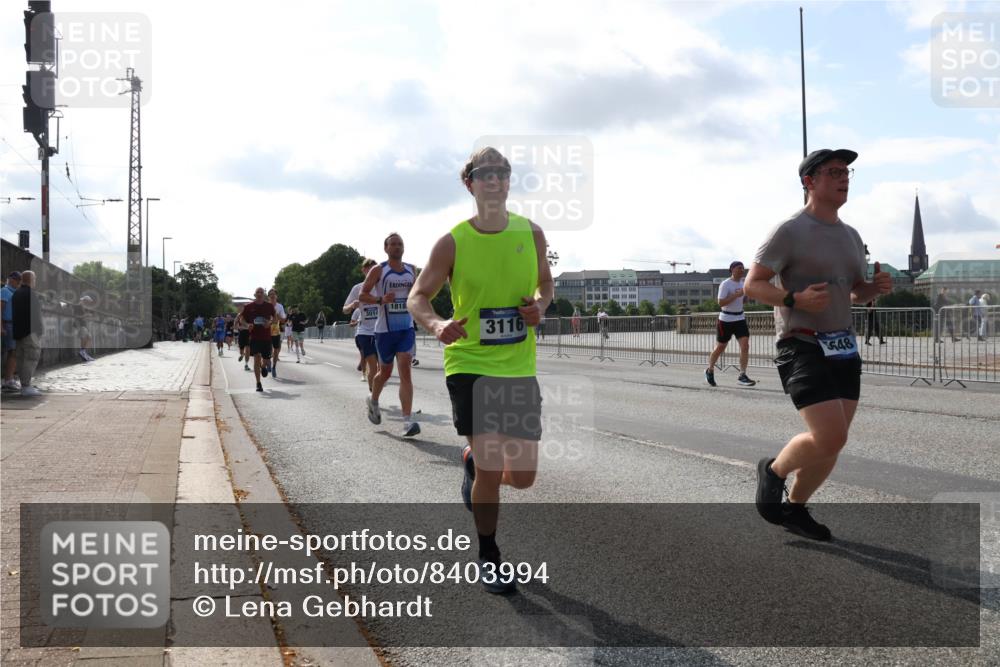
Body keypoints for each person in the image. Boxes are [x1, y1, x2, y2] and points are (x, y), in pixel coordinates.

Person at [408, 146, 553, 594]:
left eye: (501, 172)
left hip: (518, 367)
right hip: (469, 364)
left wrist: (541, 306)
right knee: (492, 468)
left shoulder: (532, 233)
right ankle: (489, 556)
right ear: (469, 183)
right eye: (484, 173)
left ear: (509, 181)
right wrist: (437, 324)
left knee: (523, 478)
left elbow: (545, 283)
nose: (494, 179)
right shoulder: (452, 242)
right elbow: (418, 296)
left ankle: (470, 462)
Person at [745, 148, 892, 541]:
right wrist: (793, 299)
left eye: (847, 172)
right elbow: (753, 285)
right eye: (834, 172)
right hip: (802, 345)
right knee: (830, 436)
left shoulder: (851, 236)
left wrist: (873, 288)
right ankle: (773, 470)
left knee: (832, 443)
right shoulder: (789, 231)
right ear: (809, 181)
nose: (844, 178)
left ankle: (795, 509)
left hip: (843, 346)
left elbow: (854, 292)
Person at [361, 236, 420, 437]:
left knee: (405, 370)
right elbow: (363, 295)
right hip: (384, 331)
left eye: (400, 244)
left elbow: (418, 294)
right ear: (385, 248)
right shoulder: (378, 270)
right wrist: (380, 299)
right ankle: (373, 400)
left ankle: (407, 422)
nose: (397, 247)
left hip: (406, 328)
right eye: (393, 244)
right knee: (384, 373)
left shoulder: (412, 269)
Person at [705, 261, 756, 387]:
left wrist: (746, 297)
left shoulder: (743, 283)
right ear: (732, 269)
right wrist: (737, 295)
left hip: (740, 318)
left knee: (745, 346)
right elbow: (721, 303)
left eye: (743, 268)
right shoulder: (725, 284)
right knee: (720, 347)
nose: (742, 270)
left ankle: (742, 375)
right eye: (739, 268)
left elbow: (743, 301)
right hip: (726, 319)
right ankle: (710, 369)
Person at [344, 258, 380, 383]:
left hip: (381, 331)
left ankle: (374, 387)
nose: (372, 273)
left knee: (382, 368)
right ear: (363, 271)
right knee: (373, 366)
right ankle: (371, 387)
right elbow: (344, 310)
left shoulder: (382, 286)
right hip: (364, 332)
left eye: (375, 270)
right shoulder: (357, 288)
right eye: (369, 270)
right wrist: (352, 305)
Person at [11, 270, 44, 397]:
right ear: (31, 280)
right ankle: (26, 386)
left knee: (21, 359)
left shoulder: (16, 293)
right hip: (30, 332)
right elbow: (36, 315)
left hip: (18, 332)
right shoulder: (31, 294)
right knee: (31, 358)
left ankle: (24, 384)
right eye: (34, 279)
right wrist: (40, 330)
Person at [241, 287, 276, 392]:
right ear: (255, 294)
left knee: (266, 360)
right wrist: (247, 325)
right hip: (254, 337)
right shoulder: (248, 307)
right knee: (256, 358)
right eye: (258, 292)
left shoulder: (269, 306)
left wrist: (269, 323)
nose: (260, 294)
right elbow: (242, 319)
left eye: (261, 292)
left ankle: (263, 366)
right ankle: (258, 383)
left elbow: (275, 318)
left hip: (266, 337)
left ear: (264, 294)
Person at [1, 271, 22, 392]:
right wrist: (1, 327)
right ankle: (8, 380)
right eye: (17, 280)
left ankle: (9, 379)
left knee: (13, 352)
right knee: (12, 352)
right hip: (7, 324)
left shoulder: (14, 292)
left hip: (13, 325)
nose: (19, 283)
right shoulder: (5, 291)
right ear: (11, 279)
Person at [267, 289, 287, 378]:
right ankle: (268, 362)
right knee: (267, 350)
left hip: (276, 331)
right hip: (266, 331)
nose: (272, 296)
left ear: (276, 296)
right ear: (268, 296)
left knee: (276, 350)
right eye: (270, 294)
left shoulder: (280, 306)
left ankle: (274, 367)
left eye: (274, 294)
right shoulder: (265, 306)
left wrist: (277, 316)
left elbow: (283, 320)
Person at [74, 296, 96, 362]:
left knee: (88, 337)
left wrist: (88, 315)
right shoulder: (78, 306)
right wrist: (86, 315)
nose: (88, 303)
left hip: (83, 324)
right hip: (79, 324)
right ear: (85, 301)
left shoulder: (83, 307)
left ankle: (83, 352)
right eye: (88, 302)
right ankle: (82, 352)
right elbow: (76, 316)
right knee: (85, 337)